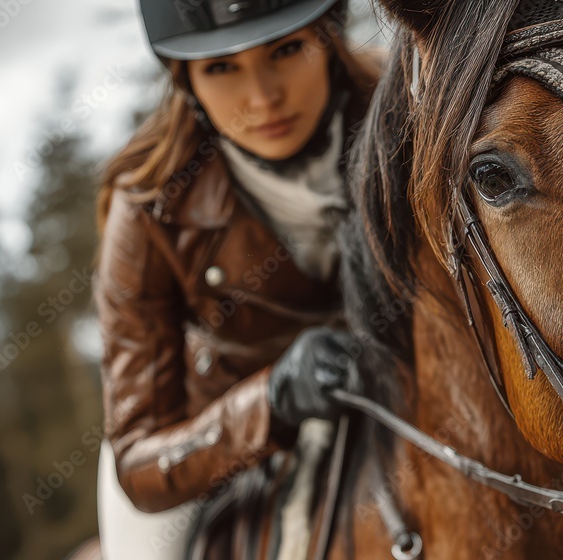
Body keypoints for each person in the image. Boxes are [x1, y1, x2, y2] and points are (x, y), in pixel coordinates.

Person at [91, 1, 382, 558]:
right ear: (185, 78)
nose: (262, 97)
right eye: (222, 67)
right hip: (210, 430)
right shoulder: (148, 207)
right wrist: (271, 399)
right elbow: (138, 457)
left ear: (328, 35)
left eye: (287, 49)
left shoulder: (411, 108)